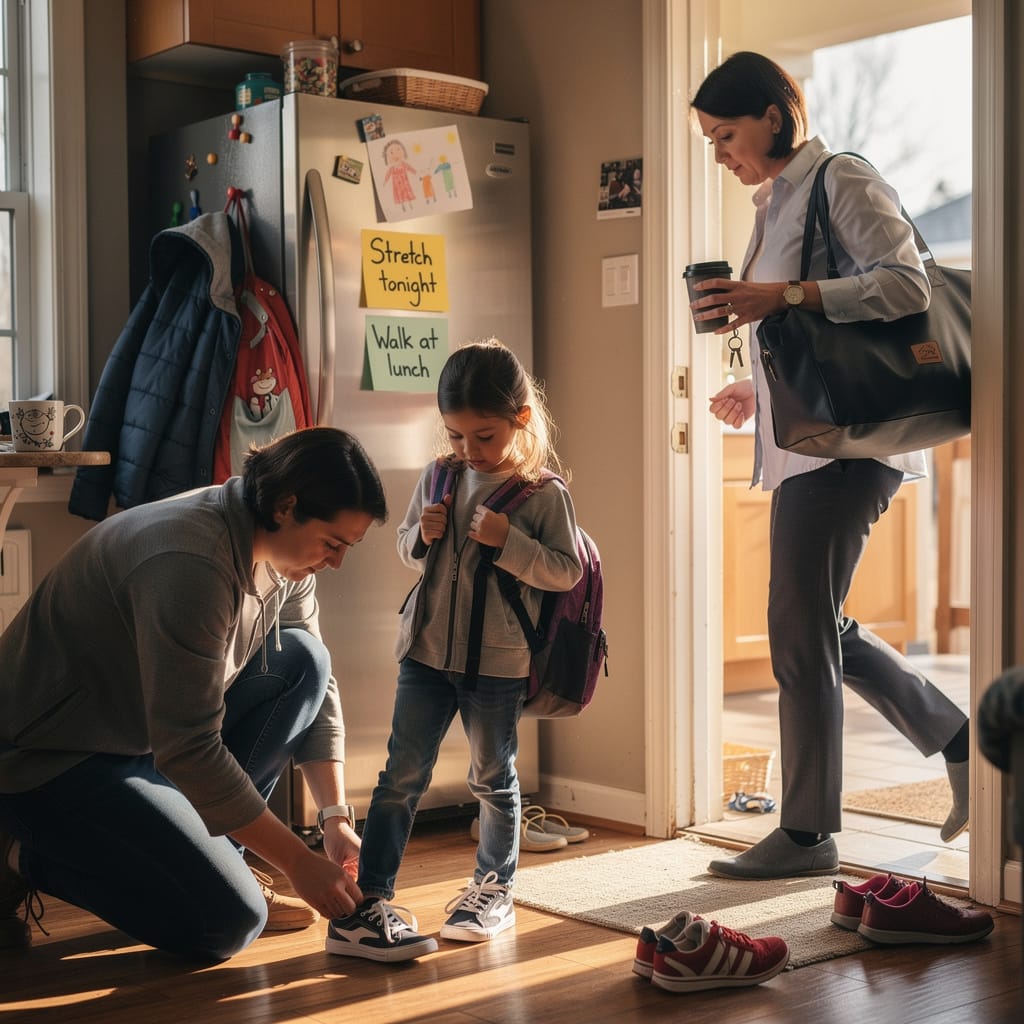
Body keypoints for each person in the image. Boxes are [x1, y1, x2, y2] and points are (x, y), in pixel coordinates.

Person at [689, 52, 970, 880]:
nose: (719, 152)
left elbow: (904, 285)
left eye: (725, 132)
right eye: (709, 138)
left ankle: (809, 834)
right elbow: (818, 337)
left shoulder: (839, 178)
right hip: (809, 443)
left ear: (774, 116)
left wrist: (783, 297)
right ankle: (964, 742)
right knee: (814, 624)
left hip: (852, 449)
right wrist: (757, 388)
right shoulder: (774, 202)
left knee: (798, 633)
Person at [0, 427, 387, 958]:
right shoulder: (190, 560)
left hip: (142, 742)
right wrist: (296, 860)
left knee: (303, 661)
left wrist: (335, 820)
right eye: (333, 543)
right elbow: (190, 747)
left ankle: (217, 865)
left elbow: (319, 688)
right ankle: (19, 855)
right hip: (50, 760)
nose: (337, 561)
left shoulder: (285, 554)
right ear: (285, 505)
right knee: (227, 922)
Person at [325, 339, 583, 961]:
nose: (469, 450)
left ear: (521, 419)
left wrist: (509, 541)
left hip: (496, 661)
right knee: (399, 777)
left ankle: (493, 887)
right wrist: (420, 536)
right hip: (425, 653)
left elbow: (566, 571)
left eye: (484, 437)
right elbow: (405, 546)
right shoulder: (439, 473)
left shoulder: (543, 494)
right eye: (457, 436)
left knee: (493, 778)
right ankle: (372, 898)